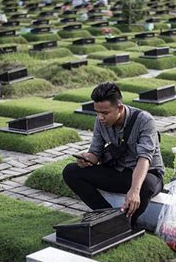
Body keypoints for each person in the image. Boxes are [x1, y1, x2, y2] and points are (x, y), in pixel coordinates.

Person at [62, 83, 165, 226]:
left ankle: (126, 224)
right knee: (71, 171)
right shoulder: (100, 121)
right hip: (119, 173)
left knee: (145, 186)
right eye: (97, 112)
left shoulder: (145, 120)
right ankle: (108, 215)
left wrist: (134, 191)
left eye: (105, 113)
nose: (100, 117)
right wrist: (87, 158)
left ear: (120, 108)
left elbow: (144, 159)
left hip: (147, 174)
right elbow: (95, 152)